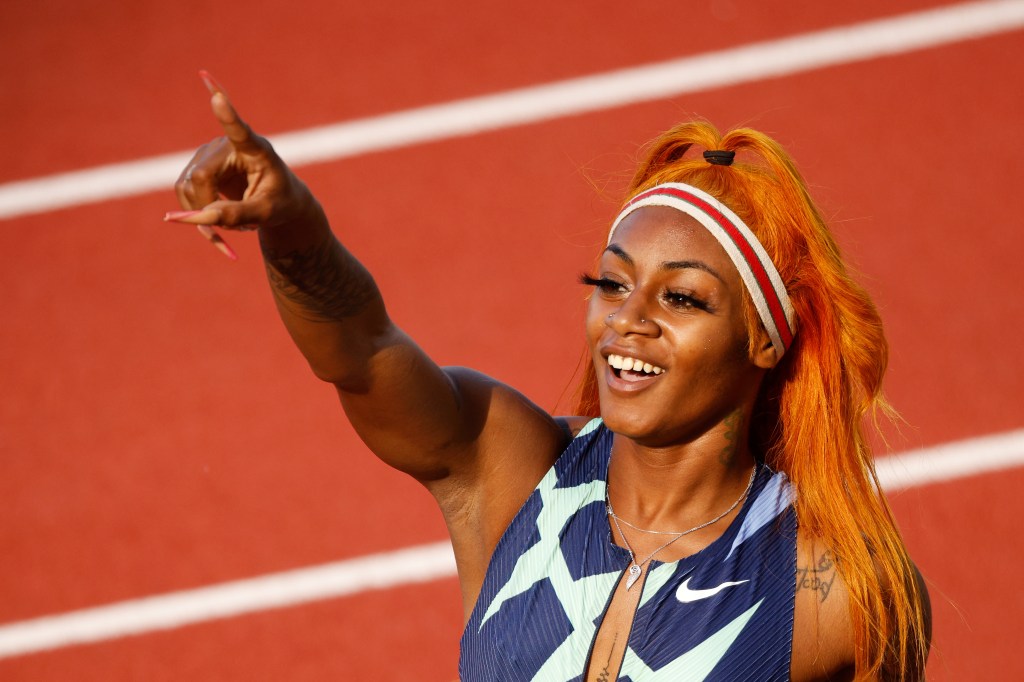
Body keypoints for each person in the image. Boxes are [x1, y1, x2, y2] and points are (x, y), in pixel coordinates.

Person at [169, 74, 930, 680]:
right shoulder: (510, 470)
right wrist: (292, 225)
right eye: (612, 283)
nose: (628, 319)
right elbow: (362, 354)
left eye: (682, 297)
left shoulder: (836, 593)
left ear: (764, 339)